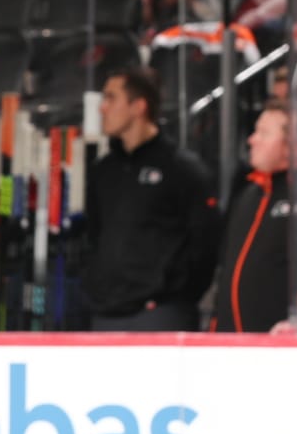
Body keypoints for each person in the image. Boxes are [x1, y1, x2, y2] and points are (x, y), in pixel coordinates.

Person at [81, 67, 220, 331]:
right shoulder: (103, 171)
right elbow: (94, 235)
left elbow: (205, 246)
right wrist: (95, 287)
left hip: (161, 315)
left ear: (138, 106)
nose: (102, 108)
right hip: (106, 313)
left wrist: (173, 294)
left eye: (111, 98)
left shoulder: (182, 170)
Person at [209, 100, 293, 333]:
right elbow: (227, 268)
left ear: (291, 145)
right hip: (231, 343)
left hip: (279, 347)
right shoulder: (247, 194)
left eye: (264, 134)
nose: (252, 140)